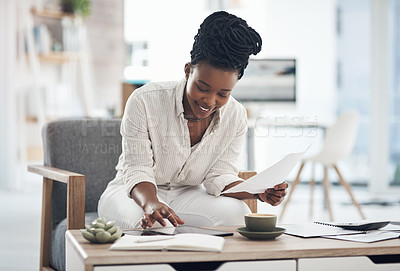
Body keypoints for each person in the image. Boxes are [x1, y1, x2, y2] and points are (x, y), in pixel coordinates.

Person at [98, 11, 288, 229]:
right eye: (202, 88)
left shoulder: (235, 115)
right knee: (156, 224)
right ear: (188, 71)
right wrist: (151, 203)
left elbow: (219, 176)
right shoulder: (144, 101)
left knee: (237, 215)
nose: (209, 100)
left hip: (189, 194)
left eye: (223, 94)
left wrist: (259, 191)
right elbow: (138, 169)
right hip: (132, 193)